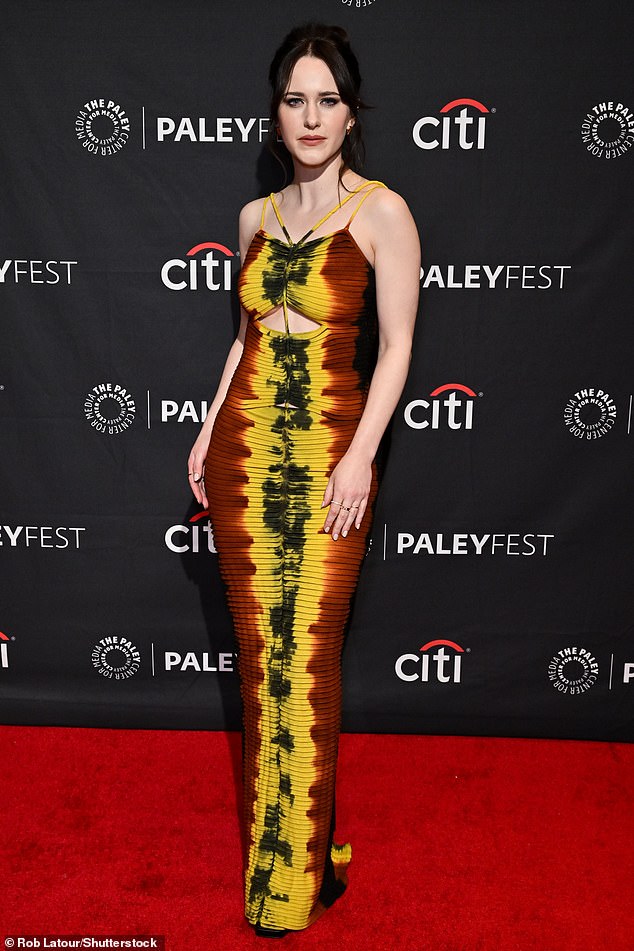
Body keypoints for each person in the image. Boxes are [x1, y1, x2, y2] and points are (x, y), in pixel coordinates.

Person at [187, 21, 420, 937]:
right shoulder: (255, 219)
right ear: (276, 114)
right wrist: (209, 424)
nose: (312, 116)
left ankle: (296, 876)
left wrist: (360, 455)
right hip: (244, 456)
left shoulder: (382, 213)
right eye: (296, 100)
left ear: (352, 114)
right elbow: (243, 339)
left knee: (306, 662)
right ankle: (290, 858)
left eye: (329, 100)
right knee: (260, 665)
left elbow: (397, 348)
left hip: (328, 458)